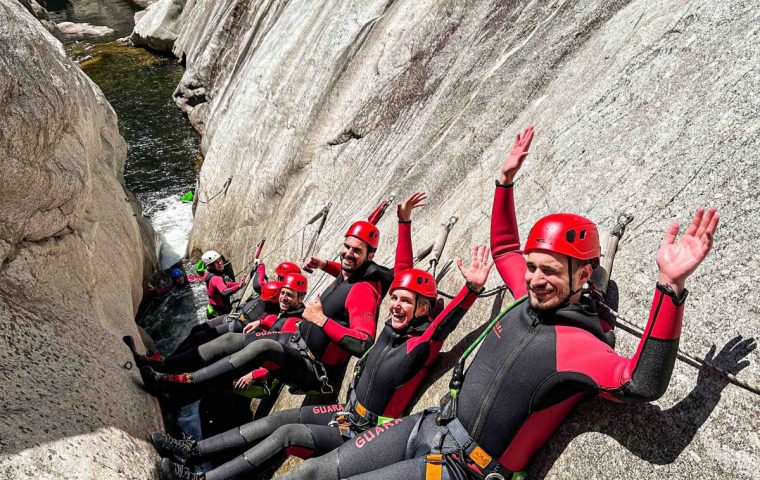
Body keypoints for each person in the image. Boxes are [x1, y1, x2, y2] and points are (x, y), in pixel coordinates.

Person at [270, 126, 720, 480]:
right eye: (534, 267)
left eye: (549, 271)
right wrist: (504, 182)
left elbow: (640, 382)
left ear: (583, 275)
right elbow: (505, 246)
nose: (535, 279)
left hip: (463, 468)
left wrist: (670, 286)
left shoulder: (580, 344)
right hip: (431, 425)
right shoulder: (528, 295)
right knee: (313, 473)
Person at [152, 198, 496, 480]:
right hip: (345, 411)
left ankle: (200, 478)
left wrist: (471, 290)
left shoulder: (419, 343)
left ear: (424, 310)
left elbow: (438, 326)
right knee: (274, 423)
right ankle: (193, 452)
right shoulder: (393, 328)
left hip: (365, 429)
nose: (396, 305)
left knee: (289, 439)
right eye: (395, 298)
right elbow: (399, 274)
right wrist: (400, 221)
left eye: (407, 302)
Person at [139, 212, 401, 399]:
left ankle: (178, 385)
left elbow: (363, 342)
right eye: (346, 247)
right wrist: (323, 265)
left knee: (261, 347)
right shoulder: (350, 275)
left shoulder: (365, 291)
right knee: (232, 339)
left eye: (357, 251)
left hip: (311, 367)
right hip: (296, 343)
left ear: (370, 256)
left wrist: (321, 320)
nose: (347, 253)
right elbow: (343, 274)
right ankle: (166, 367)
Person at [202, 250, 249, 319]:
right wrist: (239, 286)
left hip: (214, 309)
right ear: (210, 265)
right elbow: (224, 292)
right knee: (244, 319)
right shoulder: (216, 278)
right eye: (216, 262)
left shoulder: (209, 274)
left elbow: (224, 284)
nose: (220, 263)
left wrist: (238, 284)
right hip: (221, 312)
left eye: (220, 259)